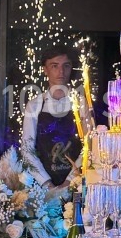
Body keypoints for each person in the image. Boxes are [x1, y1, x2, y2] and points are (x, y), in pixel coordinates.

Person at [21, 44, 91, 194]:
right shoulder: (34, 105)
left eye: (66, 66)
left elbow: (90, 146)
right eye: (54, 66)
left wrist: (70, 181)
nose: (61, 71)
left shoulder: (81, 104)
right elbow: (27, 150)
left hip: (77, 185)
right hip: (42, 188)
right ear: (45, 70)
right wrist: (47, 185)